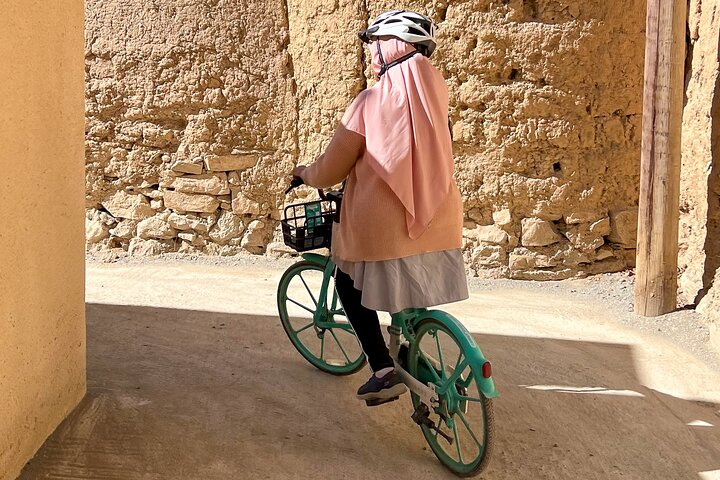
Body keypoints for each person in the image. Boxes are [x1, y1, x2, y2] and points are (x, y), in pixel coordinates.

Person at [293, 10, 468, 404]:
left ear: (390, 48)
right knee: (408, 294)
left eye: (375, 45)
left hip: (384, 229)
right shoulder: (436, 101)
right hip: (439, 222)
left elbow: (332, 167)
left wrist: (305, 173)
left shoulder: (369, 102)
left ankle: (382, 368)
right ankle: (413, 348)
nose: (371, 53)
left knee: (347, 283)